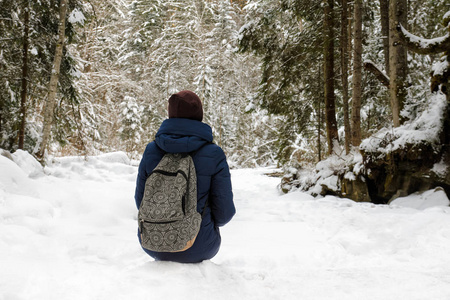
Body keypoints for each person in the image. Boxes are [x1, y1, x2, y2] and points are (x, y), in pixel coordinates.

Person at [134, 90, 235, 263]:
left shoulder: (151, 150)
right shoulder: (213, 153)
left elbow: (140, 200)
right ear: (199, 114)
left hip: (151, 243)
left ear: (170, 113)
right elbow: (224, 213)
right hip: (199, 245)